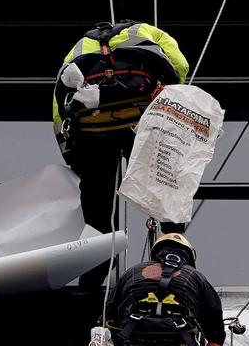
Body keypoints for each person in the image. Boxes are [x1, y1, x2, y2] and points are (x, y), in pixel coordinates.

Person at [54, 21, 190, 241]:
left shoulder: (79, 46)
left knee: (96, 201)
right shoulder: (144, 30)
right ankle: (174, 237)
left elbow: (59, 103)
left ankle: (97, 250)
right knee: (161, 179)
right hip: (139, 120)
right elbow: (179, 65)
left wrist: (70, 153)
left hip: (94, 130)